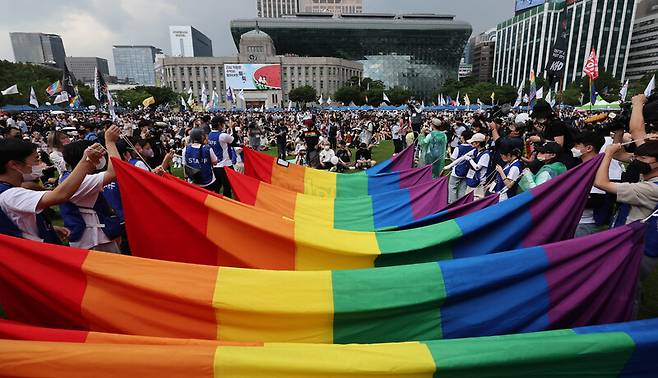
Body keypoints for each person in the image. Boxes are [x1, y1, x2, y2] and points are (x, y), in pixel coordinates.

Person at [0, 138, 104, 244]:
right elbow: (60, 195)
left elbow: (20, 224)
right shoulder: (9, 195)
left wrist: (47, 228)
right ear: (14, 165)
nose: (41, 164)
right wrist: (86, 162)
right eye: (36, 160)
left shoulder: (7, 191)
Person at [58, 126, 122, 253]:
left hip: (95, 237)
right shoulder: (80, 181)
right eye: (97, 154)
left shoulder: (70, 177)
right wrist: (110, 142)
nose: (101, 158)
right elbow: (114, 172)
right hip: (93, 241)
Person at [573, 131, 608, 237]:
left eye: (577, 145)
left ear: (589, 148)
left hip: (587, 224)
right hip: (577, 221)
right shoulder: (581, 167)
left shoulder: (599, 168)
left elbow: (597, 199)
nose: (574, 148)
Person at [207, 116, 235, 197]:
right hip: (225, 165)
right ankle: (227, 204)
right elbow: (233, 140)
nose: (224, 125)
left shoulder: (209, 135)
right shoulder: (222, 135)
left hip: (215, 166)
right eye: (223, 123)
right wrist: (232, 128)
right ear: (219, 124)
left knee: (217, 187)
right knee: (227, 187)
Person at [448, 130, 475, 203]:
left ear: (463, 137)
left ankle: (452, 203)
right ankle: (461, 203)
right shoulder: (473, 148)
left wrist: (449, 153)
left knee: (452, 187)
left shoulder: (458, 147)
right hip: (467, 171)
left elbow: (453, 159)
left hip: (457, 171)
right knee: (463, 188)